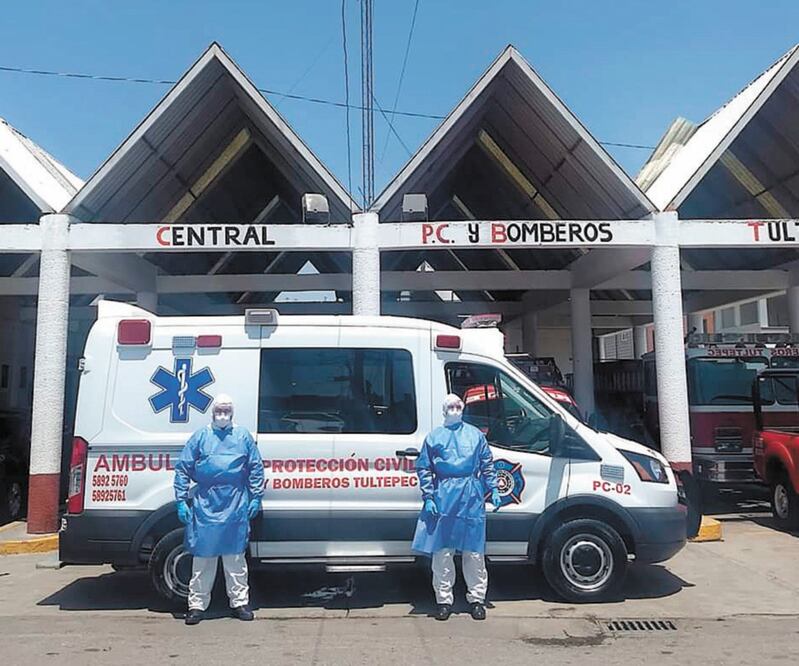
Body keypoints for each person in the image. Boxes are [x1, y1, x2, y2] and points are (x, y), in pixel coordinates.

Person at [174, 393, 264, 625]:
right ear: (212, 412)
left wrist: (256, 497)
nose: (222, 415)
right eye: (219, 411)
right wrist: (181, 500)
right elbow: (183, 467)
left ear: (232, 412)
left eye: (226, 410)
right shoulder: (201, 437)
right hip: (206, 503)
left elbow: (255, 467)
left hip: (235, 502)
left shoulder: (242, 436)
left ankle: (239, 603)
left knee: (235, 558)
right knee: (204, 557)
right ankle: (196, 605)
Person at [411, 393, 502, 621]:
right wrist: (429, 497)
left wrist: (494, 489)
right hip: (444, 495)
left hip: (471, 494)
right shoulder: (434, 438)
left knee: (474, 551)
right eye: (450, 406)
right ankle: (444, 600)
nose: (454, 409)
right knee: (442, 551)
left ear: (463, 408)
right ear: (444, 410)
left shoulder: (475, 436)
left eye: (457, 406)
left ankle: (477, 599)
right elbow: (424, 468)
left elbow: (487, 463)